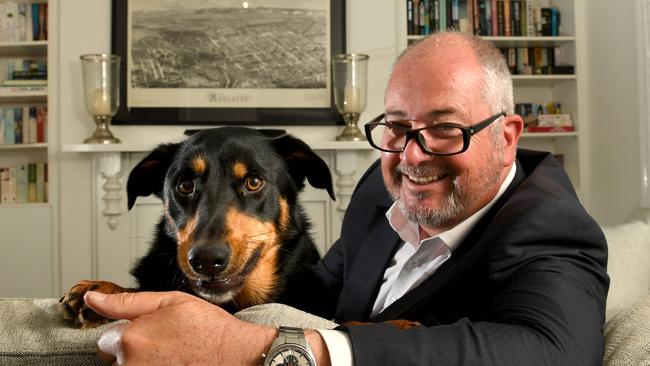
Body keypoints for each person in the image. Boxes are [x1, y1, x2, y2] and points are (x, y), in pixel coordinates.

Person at [84, 31, 609, 365]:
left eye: (446, 128)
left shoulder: (550, 226)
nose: (412, 155)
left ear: (508, 136)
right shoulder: (380, 195)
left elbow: (555, 352)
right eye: (398, 127)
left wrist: (288, 349)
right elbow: (314, 293)